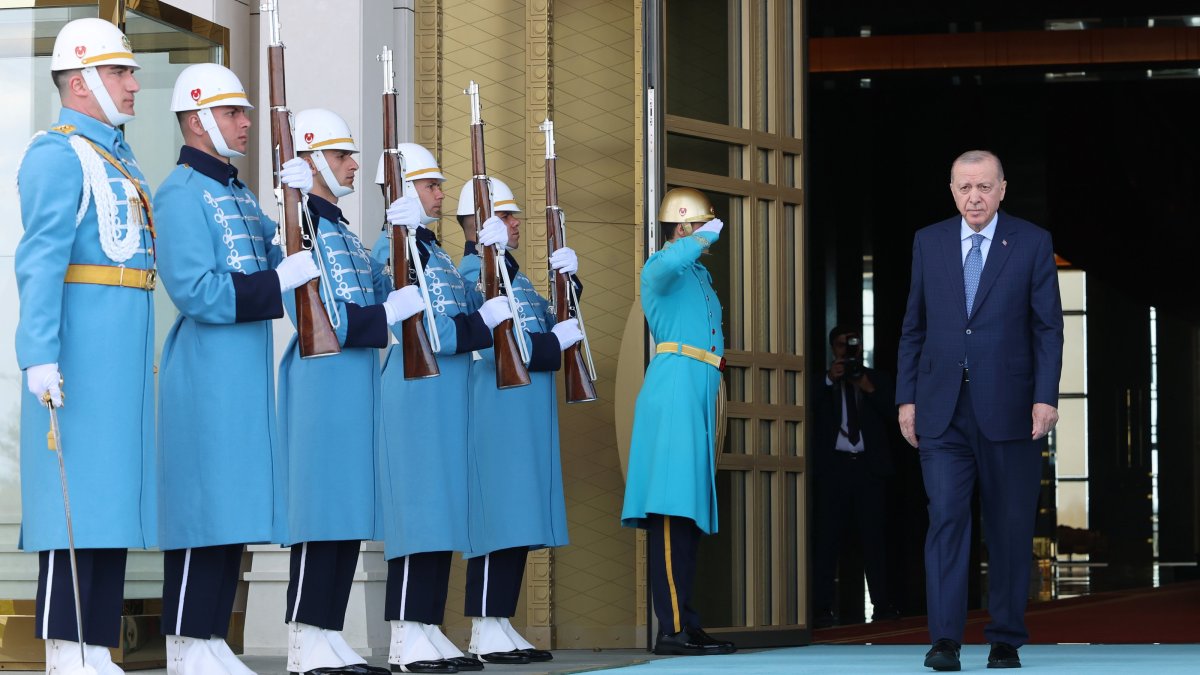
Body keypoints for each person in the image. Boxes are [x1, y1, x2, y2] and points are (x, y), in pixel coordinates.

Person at [153, 62, 318, 674]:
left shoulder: (239, 195)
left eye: (246, 112)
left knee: (234, 505)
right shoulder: (178, 194)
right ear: (198, 120)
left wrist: (302, 210)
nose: (245, 124)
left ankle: (211, 636)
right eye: (232, 113)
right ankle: (187, 641)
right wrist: (277, 280)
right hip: (205, 370)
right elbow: (197, 290)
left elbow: (282, 260)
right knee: (204, 507)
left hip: (243, 372)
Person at [15, 17, 154, 675]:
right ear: (79, 81)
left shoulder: (118, 155)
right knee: (72, 502)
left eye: (129, 70)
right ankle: (65, 647)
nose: (133, 83)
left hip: (119, 353)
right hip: (78, 352)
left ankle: (96, 642)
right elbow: (39, 259)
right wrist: (37, 352)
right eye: (120, 71)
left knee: (108, 501)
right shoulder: (57, 152)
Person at [896, 150, 1063, 671]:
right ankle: (944, 640)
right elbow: (914, 326)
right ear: (951, 190)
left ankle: (1005, 637)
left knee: (1010, 525)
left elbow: (1047, 328)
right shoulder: (929, 241)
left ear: (1003, 189)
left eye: (985, 187)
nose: (975, 197)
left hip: (1012, 409)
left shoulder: (1032, 242)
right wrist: (906, 398)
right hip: (941, 409)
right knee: (946, 519)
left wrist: (1046, 396)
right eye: (965, 187)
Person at [373, 143, 514, 674]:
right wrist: (484, 323)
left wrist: (494, 255)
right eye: (430, 186)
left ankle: (427, 625)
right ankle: (405, 635)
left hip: (446, 393)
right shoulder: (395, 247)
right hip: (416, 390)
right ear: (406, 190)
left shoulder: (435, 252)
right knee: (417, 515)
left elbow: (467, 309)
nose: (438, 193)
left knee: (442, 513)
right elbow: (429, 328)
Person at [275, 109, 405, 675]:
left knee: (347, 509)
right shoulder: (299, 225)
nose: (354, 163)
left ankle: (328, 630)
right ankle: (303, 637)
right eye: (341, 154)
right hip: (322, 381)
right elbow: (328, 315)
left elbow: (383, 288)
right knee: (319, 509)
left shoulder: (343, 230)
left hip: (354, 383)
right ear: (310, 162)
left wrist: (400, 237)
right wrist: (385, 314)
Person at [455, 179, 583, 663]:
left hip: (525, 408)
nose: (515, 224)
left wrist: (571, 287)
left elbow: (549, 323)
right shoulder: (473, 272)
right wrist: (556, 344)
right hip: (497, 407)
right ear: (477, 223)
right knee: (497, 516)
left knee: (519, 516)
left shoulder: (515, 275)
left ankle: (500, 620)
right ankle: (484, 624)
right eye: (506, 217)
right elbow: (500, 343)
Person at [620, 187, 735, 656]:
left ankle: (687, 620)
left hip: (699, 386)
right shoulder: (662, 266)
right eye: (700, 225)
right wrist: (695, 240)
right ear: (684, 226)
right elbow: (666, 266)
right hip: (673, 387)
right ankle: (670, 628)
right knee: (670, 509)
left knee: (686, 511)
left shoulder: (699, 275)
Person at [811, 325, 898, 628]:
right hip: (834, 469)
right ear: (832, 348)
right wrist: (827, 380)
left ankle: (883, 605)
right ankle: (821, 608)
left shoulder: (877, 379)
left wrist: (867, 387)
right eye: (840, 346)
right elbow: (802, 410)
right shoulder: (821, 381)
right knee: (827, 540)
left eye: (852, 346)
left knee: (874, 539)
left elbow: (895, 414)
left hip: (868, 469)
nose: (846, 352)